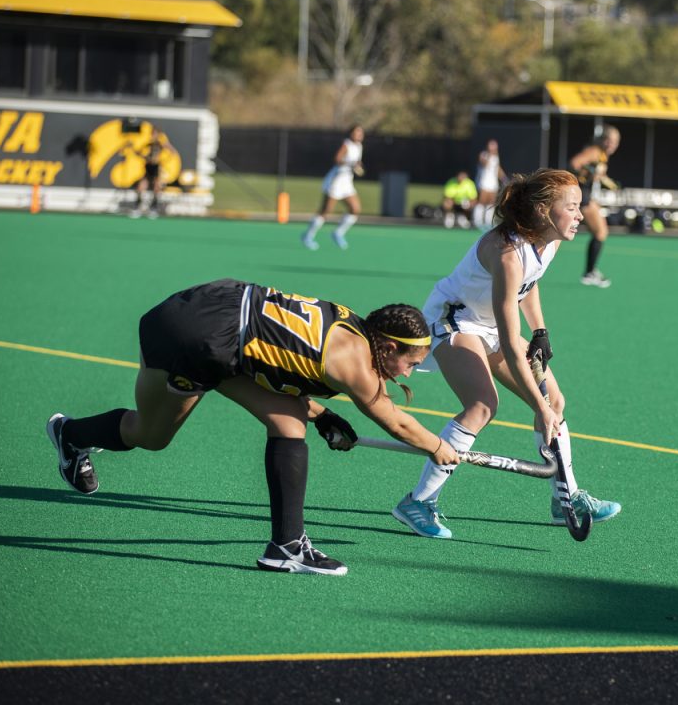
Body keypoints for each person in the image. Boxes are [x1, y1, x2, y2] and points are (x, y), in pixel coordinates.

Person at [44, 279, 458, 575]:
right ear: (386, 347)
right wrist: (437, 447)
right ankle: (71, 435)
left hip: (212, 307)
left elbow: (279, 361)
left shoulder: (351, 325)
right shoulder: (355, 363)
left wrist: (323, 415)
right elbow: (396, 422)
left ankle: (286, 546)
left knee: (289, 420)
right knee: (150, 436)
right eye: (411, 363)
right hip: (203, 341)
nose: (410, 372)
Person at [391, 168, 621, 540]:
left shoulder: (552, 239)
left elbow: (529, 286)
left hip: (494, 323)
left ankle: (565, 500)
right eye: (573, 207)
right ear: (544, 210)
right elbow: (513, 344)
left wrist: (541, 330)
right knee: (482, 405)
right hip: (457, 320)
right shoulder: (506, 253)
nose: (582, 215)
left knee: (555, 401)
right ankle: (418, 502)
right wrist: (539, 406)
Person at [570, 125, 620, 287]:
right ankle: (589, 272)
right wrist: (592, 170)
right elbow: (574, 163)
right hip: (580, 194)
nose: (612, 144)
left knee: (601, 232)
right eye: (609, 141)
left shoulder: (603, 155)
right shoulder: (595, 151)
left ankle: (590, 271)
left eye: (615, 142)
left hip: (585, 194)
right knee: (600, 232)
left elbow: (595, 174)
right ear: (603, 140)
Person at [302, 125, 365, 250]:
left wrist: (358, 166)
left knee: (355, 209)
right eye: (356, 132)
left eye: (361, 133)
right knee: (325, 211)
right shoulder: (346, 144)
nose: (359, 135)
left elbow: (356, 163)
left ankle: (338, 233)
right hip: (335, 182)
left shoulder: (359, 146)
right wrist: (351, 164)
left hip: (347, 183)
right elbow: (337, 159)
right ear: (351, 133)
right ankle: (307, 235)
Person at [473, 139, 508, 229]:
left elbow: (498, 169)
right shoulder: (483, 155)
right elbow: (485, 164)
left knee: (491, 203)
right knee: (481, 202)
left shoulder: (496, 157)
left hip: (493, 184)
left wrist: (504, 178)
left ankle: (488, 222)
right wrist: (490, 155)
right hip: (484, 183)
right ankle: (477, 221)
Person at [131, 130, 165, 219]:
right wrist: (145, 157)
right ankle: (137, 207)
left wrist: (160, 160)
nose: (154, 136)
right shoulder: (148, 144)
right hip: (148, 167)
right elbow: (138, 152)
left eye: (156, 134)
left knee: (157, 188)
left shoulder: (161, 144)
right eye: (153, 134)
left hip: (156, 167)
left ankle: (153, 208)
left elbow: (171, 152)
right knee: (141, 187)